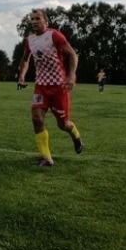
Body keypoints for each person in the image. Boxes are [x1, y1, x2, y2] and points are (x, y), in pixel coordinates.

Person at [17, 9, 83, 167]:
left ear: (46, 21)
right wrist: (22, 76)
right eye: (32, 19)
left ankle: (75, 135)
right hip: (41, 87)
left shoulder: (54, 35)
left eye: (37, 18)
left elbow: (72, 54)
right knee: (36, 118)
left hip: (59, 87)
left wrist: (71, 75)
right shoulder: (29, 40)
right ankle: (46, 158)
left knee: (63, 125)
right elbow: (25, 60)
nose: (34, 21)